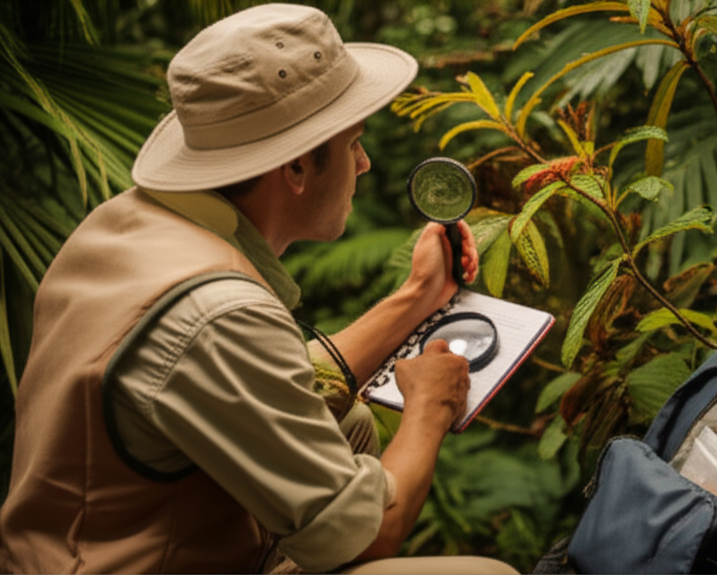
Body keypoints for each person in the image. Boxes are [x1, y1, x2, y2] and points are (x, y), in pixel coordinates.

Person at [0, 4, 518, 574]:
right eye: (352, 144)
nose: (364, 163)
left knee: (350, 424)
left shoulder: (125, 227)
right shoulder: (217, 313)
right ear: (296, 167)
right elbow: (370, 537)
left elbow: (269, 379)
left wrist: (419, 295)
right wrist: (431, 405)